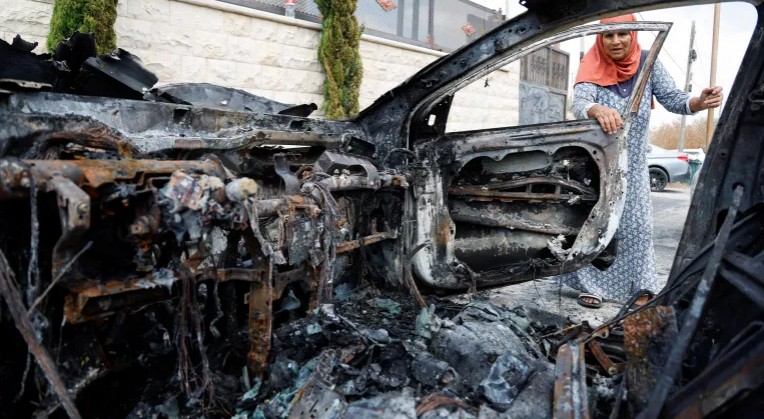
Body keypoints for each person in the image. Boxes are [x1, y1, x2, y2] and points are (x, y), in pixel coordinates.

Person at [560, 14, 723, 307]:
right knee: (594, 221)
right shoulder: (591, 61)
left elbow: (674, 99)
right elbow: (579, 103)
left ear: (633, 34)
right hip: (595, 163)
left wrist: (698, 101)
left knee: (637, 225)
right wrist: (597, 109)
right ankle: (590, 285)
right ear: (601, 38)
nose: (616, 41)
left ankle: (640, 285)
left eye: (623, 34)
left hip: (632, 164)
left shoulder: (648, 62)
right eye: (609, 35)